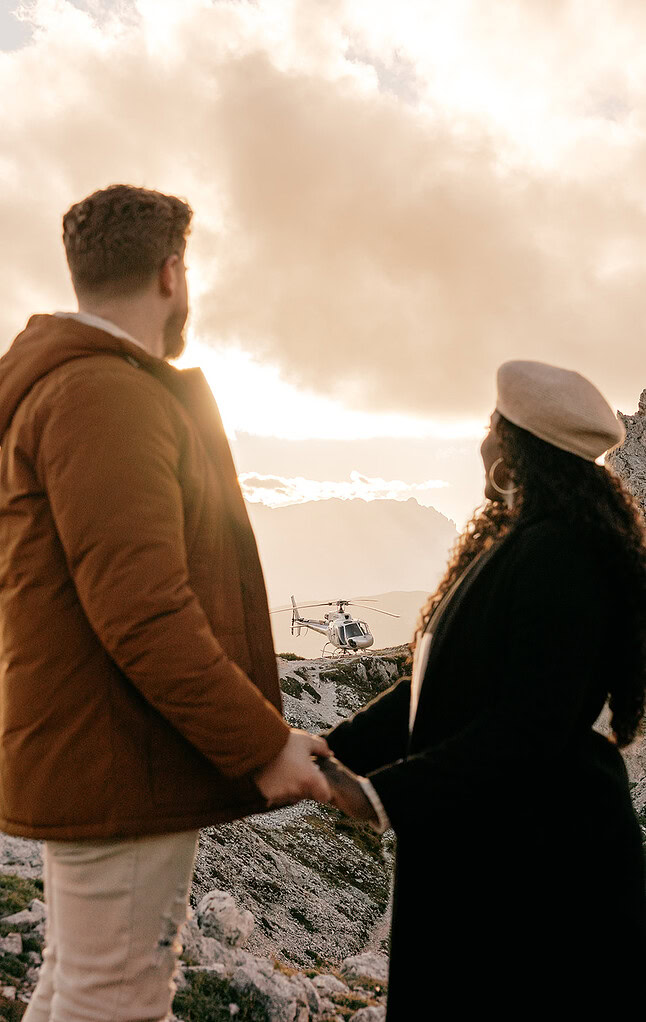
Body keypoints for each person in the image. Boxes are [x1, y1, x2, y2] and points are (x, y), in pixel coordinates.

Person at [0, 184, 331, 1022]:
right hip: (120, 753)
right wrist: (264, 744)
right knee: (114, 997)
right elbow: (142, 609)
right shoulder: (105, 395)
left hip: (89, 749)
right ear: (173, 274)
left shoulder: (59, 386)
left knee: (78, 986)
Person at [319, 361, 646, 1016]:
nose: (482, 441)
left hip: (540, 883)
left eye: (491, 426)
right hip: (500, 866)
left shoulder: (561, 555)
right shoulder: (525, 543)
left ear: (514, 445)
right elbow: (435, 688)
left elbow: (528, 726)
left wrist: (376, 796)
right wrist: (331, 749)